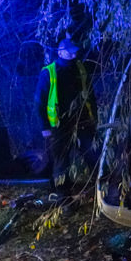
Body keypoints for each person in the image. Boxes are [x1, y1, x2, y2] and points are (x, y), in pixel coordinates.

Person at [34, 37, 97, 196]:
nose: (73, 55)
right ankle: (63, 196)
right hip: (59, 126)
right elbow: (39, 102)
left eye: (74, 52)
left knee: (92, 153)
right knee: (61, 161)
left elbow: (90, 94)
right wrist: (45, 127)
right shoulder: (49, 72)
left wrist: (93, 117)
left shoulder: (80, 68)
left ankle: (99, 188)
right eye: (70, 52)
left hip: (82, 121)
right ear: (60, 52)